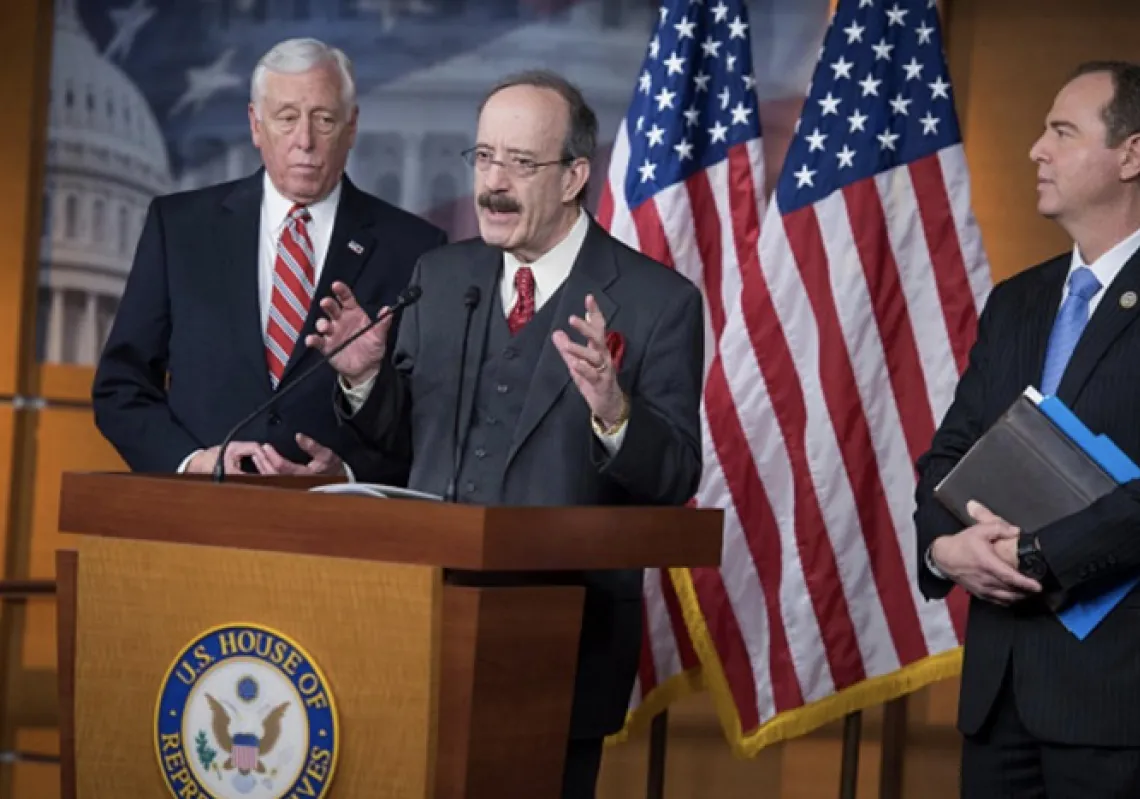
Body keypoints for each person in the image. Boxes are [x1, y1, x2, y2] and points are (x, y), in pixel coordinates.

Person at [306, 69, 703, 797]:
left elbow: (675, 474)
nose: (494, 182)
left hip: (561, 647)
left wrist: (615, 414)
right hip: (416, 628)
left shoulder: (656, 303)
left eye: (521, 163)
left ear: (575, 175)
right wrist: (363, 378)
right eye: (484, 157)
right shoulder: (440, 275)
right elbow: (398, 453)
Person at [914, 60, 1140, 798]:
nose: (1036, 149)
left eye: (1062, 131)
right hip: (999, 696)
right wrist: (945, 551)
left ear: (1131, 155)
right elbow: (950, 454)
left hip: (1115, 703)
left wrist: (1036, 554)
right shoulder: (1016, 301)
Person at [92, 38, 446, 482]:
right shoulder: (180, 228)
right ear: (256, 125)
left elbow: (432, 416)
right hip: (197, 516)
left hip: (341, 527)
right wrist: (193, 462)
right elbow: (121, 386)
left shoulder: (416, 249)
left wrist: (351, 472)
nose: (305, 141)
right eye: (287, 118)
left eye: (324, 119)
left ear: (352, 127)